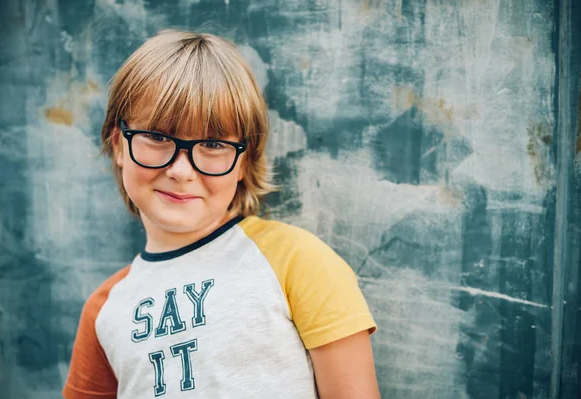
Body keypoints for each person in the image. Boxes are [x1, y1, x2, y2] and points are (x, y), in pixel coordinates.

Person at [63, 29, 380, 399]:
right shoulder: (104, 309)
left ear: (244, 161)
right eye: (157, 138)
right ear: (119, 144)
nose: (181, 171)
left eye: (212, 144)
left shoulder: (297, 262)